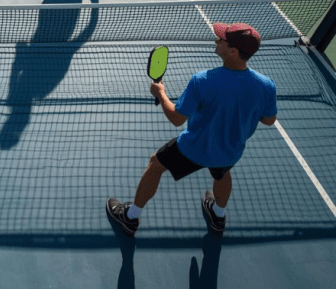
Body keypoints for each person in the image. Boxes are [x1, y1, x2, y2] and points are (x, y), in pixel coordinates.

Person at [107, 22, 277, 236]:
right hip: (230, 151)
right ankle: (218, 214)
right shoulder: (266, 85)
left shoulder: (203, 81)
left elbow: (177, 118)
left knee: (156, 164)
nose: (216, 41)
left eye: (221, 40)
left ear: (233, 51)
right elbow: (269, 120)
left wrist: (160, 93)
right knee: (222, 174)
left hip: (194, 149)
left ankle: (130, 217)